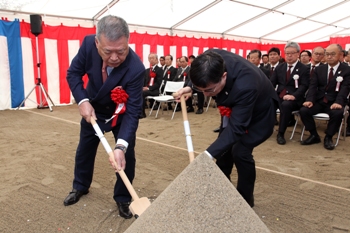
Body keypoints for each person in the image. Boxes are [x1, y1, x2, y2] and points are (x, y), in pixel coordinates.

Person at [175, 49, 279, 207]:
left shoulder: (246, 84)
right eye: (201, 89)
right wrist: (190, 87)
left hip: (260, 114)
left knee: (240, 152)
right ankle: (222, 192)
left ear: (223, 76)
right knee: (223, 152)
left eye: (209, 90)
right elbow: (201, 75)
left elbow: (236, 129)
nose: (206, 95)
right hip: (234, 108)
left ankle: (245, 200)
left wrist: (206, 156)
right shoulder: (209, 58)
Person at [65, 15, 145, 219]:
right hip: (93, 108)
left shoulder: (136, 68)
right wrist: (82, 100)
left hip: (121, 113)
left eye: (122, 51)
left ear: (128, 41)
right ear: (97, 42)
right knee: (84, 149)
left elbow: (134, 108)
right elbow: (73, 73)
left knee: (127, 156)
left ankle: (123, 197)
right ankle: (80, 186)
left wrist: (121, 146)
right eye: (108, 51)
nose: (115, 57)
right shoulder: (87, 46)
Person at [299, 44, 350, 150]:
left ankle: (329, 137)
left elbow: (345, 88)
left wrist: (339, 102)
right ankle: (314, 135)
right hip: (320, 100)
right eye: (327, 54)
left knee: (337, 113)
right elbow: (313, 86)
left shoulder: (346, 70)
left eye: (332, 54)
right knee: (304, 110)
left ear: (340, 55)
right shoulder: (319, 69)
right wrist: (309, 100)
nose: (329, 57)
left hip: (335, 101)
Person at [271, 42, 310, 145]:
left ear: (298, 54)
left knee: (286, 105)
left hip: (295, 98)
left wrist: (294, 96)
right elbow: (272, 83)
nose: (289, 55)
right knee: (267, 102)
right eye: (287, 53)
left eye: (292, 53)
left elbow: (305, 85)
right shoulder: (280, 67)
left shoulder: (304, 68)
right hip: (280, 95)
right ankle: (264, 128)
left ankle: (281, 133)